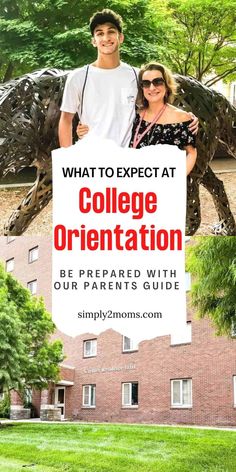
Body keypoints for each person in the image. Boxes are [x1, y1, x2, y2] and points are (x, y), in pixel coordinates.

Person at [58, 9, 198, 148]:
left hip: (128, 161)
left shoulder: (136, 75)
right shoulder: (78, 77)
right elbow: (66, 120)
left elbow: (155, 107)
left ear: (121, 37)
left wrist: (184, 117)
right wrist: (67, 159)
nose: (106, 38)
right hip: (90, 160)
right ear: (93, 41)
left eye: (111, 31)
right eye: (100, 33)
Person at [129, 62, 197, 175]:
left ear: (167, 84)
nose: (152, 87)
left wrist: (175, 179)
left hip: (163, 186)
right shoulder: (135, 114)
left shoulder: (182, 118)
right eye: (146, 83)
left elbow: (192, 153)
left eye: (158, 82)